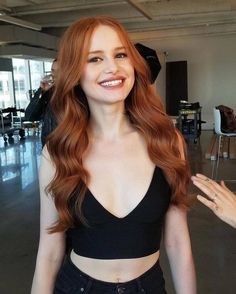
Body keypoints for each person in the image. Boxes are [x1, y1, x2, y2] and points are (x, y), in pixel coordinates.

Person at [31, 16, 196, 294]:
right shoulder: (58, 152)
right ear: (74, 71)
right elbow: (49, 253)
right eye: (94, 59)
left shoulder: (166, 141)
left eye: (120, 54)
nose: (112, 67)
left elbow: (178, 243)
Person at [25, 58, 58, 146]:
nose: (54, 75)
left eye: (59, 71)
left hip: (71, 152)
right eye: (53, 71)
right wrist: (41, 91)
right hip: (48, 149)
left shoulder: (78, 94)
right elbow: (29, 117)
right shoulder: (47, 94)